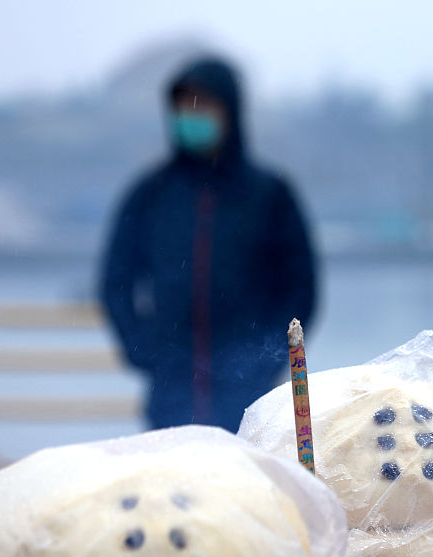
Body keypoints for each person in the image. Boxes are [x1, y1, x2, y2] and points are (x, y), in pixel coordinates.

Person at [101, 56, 317, 432]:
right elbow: (115, 279)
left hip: (250, 395)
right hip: (170, 393)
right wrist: (143, 347)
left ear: (230, 111)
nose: (191, 116)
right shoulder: (151, 194)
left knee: (245, 487)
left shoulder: (269, 195)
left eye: (203, 105)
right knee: (174, 486)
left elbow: (300, 288)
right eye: (183, 107)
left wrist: (265, 356)